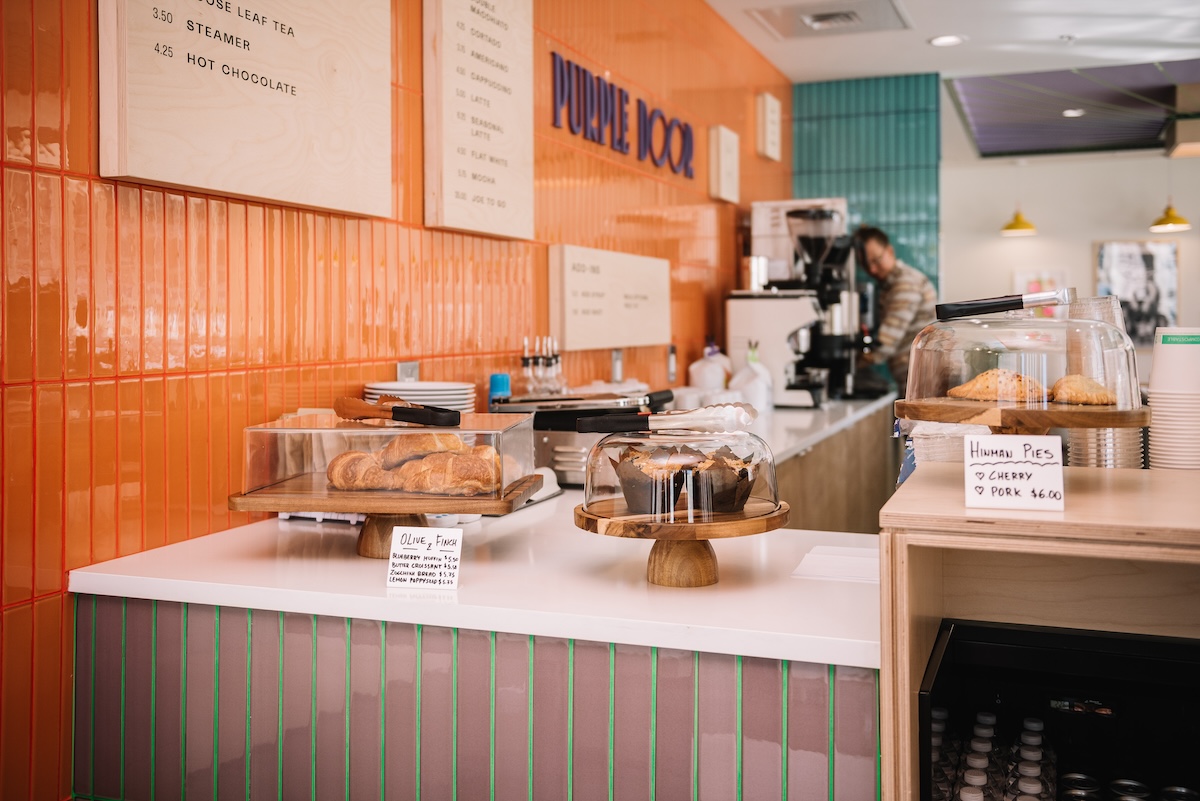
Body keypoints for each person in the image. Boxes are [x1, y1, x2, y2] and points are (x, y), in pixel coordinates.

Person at [854, 226, 937, 397]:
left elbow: (886, 343)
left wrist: (851, 365)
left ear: (890, 251)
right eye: (865, 264)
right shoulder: (890, 285)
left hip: (924, 383)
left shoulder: (905, 284)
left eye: (876, 260)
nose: (872, 270)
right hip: (918, 379)